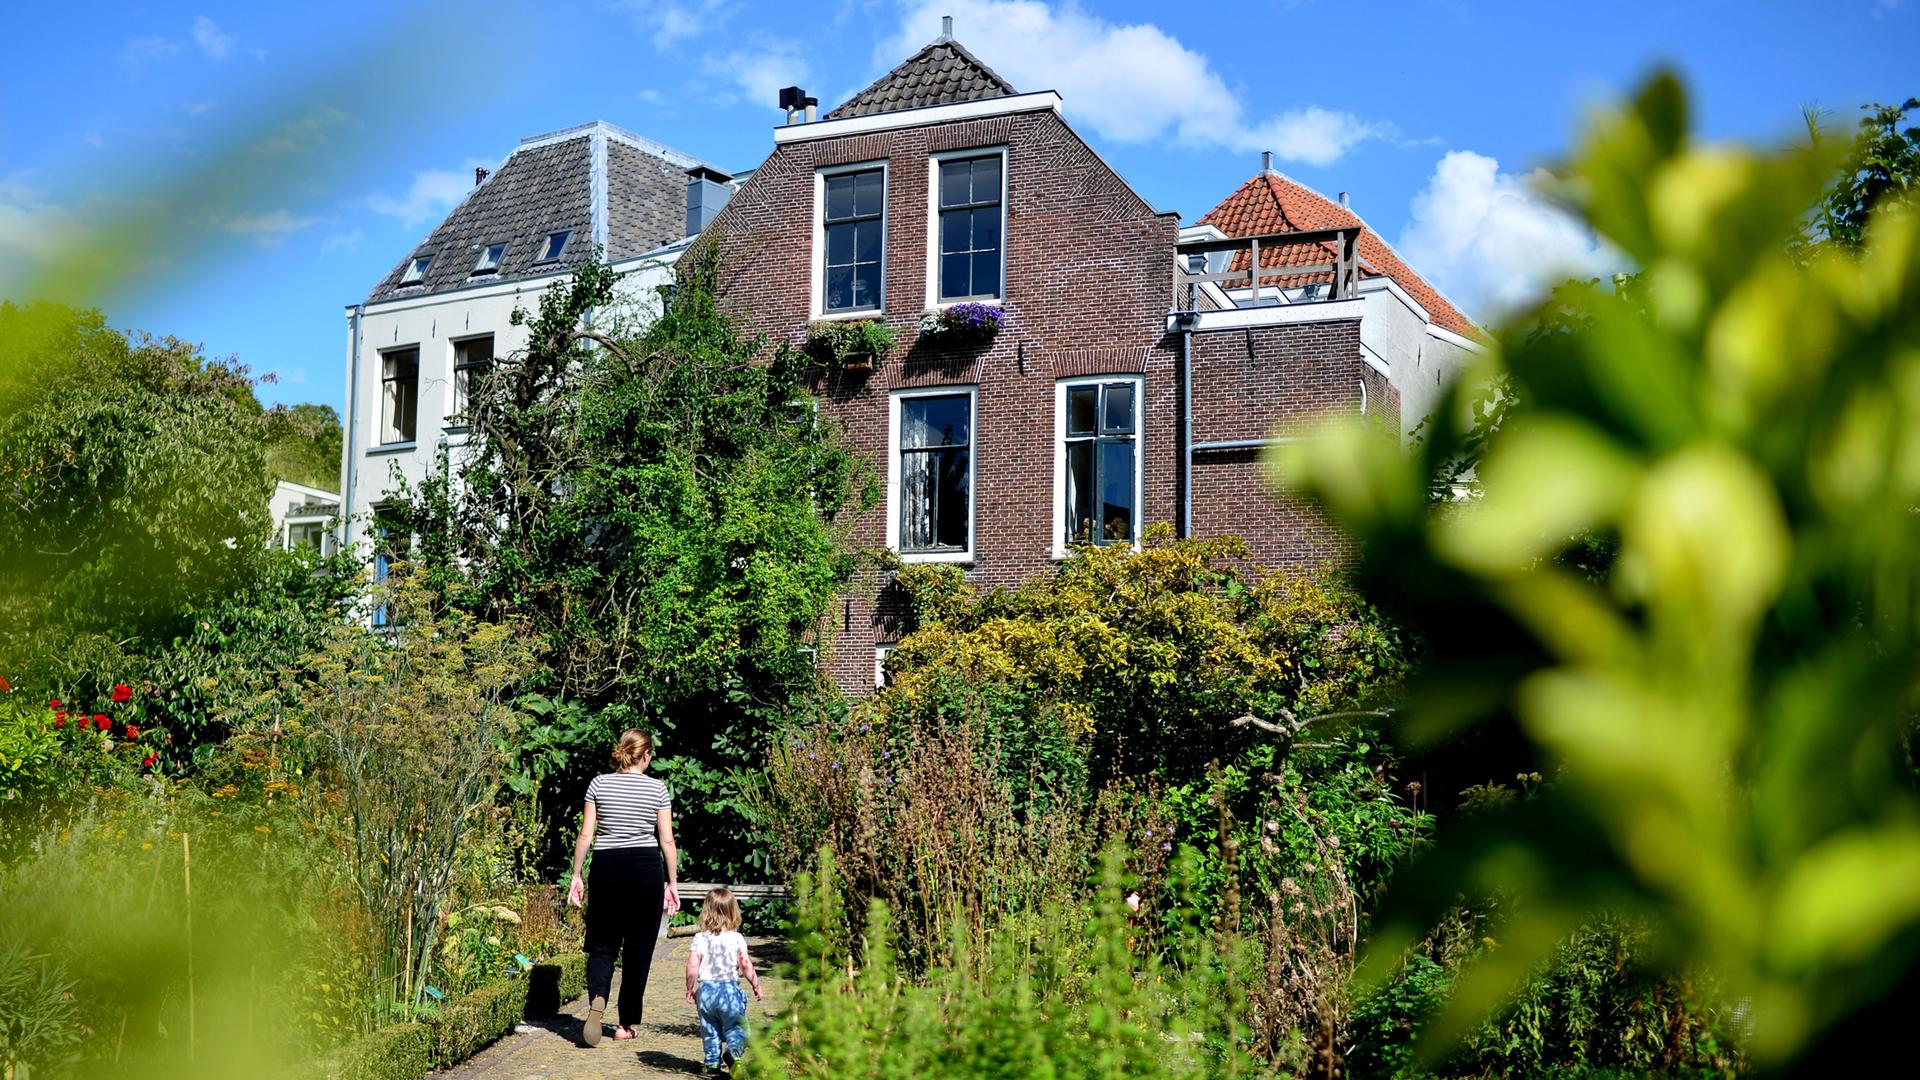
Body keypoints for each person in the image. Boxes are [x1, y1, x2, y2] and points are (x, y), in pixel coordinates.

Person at [567, 729, 681, 1047]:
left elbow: (585, 836)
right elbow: (667, 840)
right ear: (644, 755)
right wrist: (672, 883)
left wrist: (576, 875)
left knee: (602, 945)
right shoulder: (658, 789)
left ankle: (597, 1001)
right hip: (645, 869)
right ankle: (625, 1024)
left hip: (607, 867)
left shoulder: (599, 784)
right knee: (638, 950)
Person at [684, 887, 764, 1076]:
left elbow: (692, 965)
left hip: (705, 991)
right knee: (738, 1028)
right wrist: (756, 985)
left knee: (709, 1029)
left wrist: (690, 988)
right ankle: (733, 1055)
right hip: (729, 991)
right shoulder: (736, 938)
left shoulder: (699, 938)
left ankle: (712, 1065)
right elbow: (745, 964)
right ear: (733, 912)